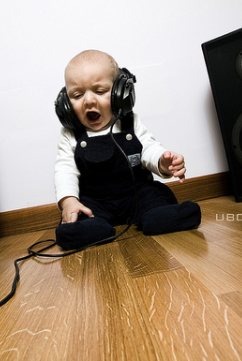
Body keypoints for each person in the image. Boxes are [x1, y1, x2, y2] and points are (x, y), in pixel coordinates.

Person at [53, 50, 201, 250]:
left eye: (100, 91)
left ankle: (161, 216)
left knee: (155, 195)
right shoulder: (71, 134)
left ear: (120, 94)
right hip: (96, 200)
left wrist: (162, 162)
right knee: (84, 213)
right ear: (66, 104)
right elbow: (65, 169)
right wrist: (68, 201)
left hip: (137, 193)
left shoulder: (130, 122)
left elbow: (148, 148)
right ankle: (91, 229)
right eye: (77, 95)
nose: (88, 101)